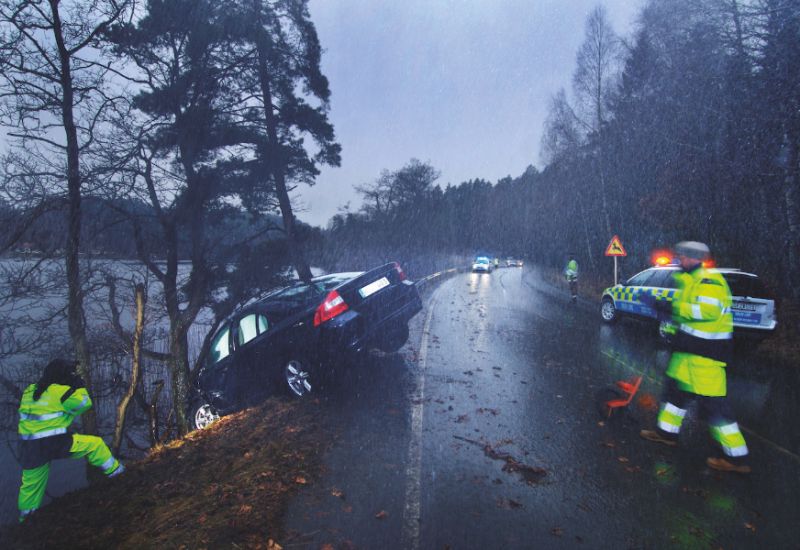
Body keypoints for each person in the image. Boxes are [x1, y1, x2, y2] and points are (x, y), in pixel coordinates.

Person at [639, 241, 750, 473]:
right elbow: (685, 317)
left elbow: (705, 311)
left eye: (683, 256)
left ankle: (736, 459)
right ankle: (666, 434)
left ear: (695, 258)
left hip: (705, 359)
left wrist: (670, 307)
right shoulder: (689, 280)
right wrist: (669, 325)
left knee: (715, 409)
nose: (679, 259)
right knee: (673, 396)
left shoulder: (710, 281)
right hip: (686, 355)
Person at [17, 359, 125, 522]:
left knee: (31, 486)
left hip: (29, 446)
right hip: (54, 442)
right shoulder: (60, 392)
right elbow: (84, 404)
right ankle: (118, 474)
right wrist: (78, 385)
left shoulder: (29, 390)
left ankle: (25, 520)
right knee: (94, 445)